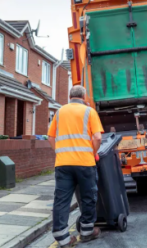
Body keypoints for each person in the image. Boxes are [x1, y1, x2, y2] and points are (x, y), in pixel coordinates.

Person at [48, 85, 104, 248]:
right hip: (85, 163)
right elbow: (98, 138)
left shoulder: (59, 112)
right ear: (84, 97)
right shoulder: (89, 112)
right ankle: (86, 232)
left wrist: (59, 152)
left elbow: (51, 137)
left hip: (63, 163)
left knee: (61, 200)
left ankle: (62, 238)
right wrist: (92, 153)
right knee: (88, 196)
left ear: (70, 96)